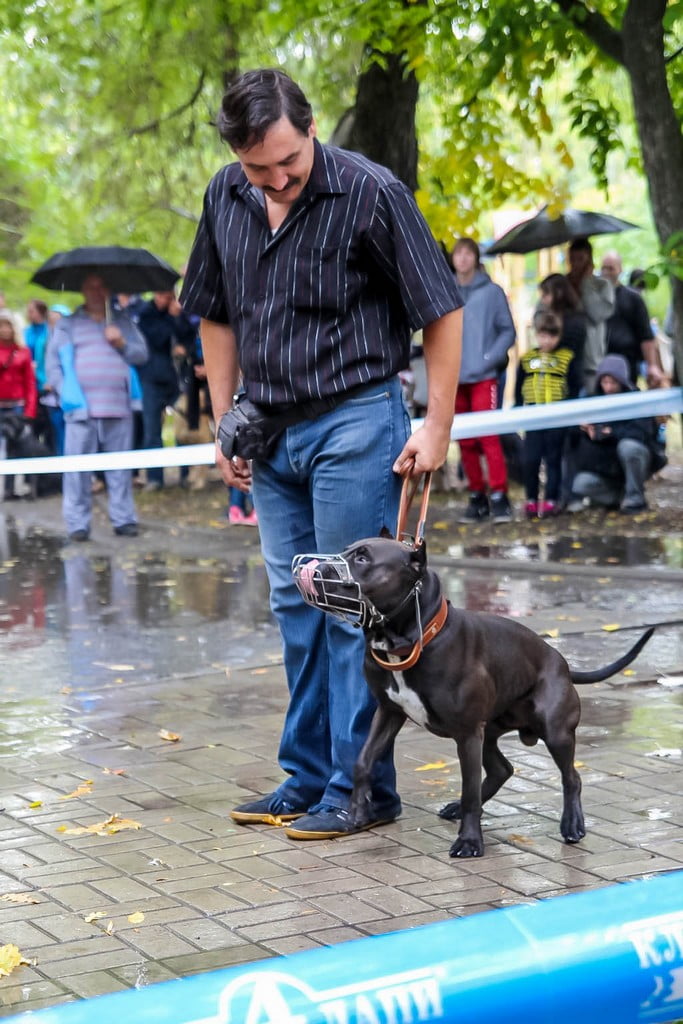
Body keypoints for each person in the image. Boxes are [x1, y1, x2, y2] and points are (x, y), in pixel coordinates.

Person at [180, 68, 462, 840]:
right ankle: (306, 778)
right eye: (257, 170)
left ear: (309, 130)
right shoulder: (223, 196)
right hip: (268, 432)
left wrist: (434, 427)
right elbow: (212, 312)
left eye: (287, 165)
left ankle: (362, 787)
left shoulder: (371, 193)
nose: (274, 182)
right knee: (293, 609)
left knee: (350, 613)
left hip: (355, 422)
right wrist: (222, 419)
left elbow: (440, 310)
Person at [45, 273, 148, 541]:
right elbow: (52, 364)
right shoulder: (67, 324)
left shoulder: (122, 321)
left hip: (118, 406)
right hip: (80, 410)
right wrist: (63, 392)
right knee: (77, 469)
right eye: (91, 286)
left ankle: (124, 519)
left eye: (101, 286)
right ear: (82, 290)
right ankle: (77, 523)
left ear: (108, 290)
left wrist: (121, 342)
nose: (96, 291)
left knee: (120, 468)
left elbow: (141, 354)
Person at [449, 237, 515, 523]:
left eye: (468, 253)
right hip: (453, 377)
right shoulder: (445, 289)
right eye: (458, 253)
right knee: (464, 440)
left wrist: (490, 358)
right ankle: (476, 495)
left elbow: (507, 331)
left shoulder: (492, 292)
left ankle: (499, 495)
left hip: (483, 377)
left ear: (475, 258)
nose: (462, 259)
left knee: (488, 436)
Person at [568, 353, 666, 515]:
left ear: (622, 382)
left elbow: (642, 433)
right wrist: (586, 431)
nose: (609, 387)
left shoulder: (636, 401)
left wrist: (611, 433)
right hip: (606, 466)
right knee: (581, 483)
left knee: (629, 447)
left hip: (633, 460)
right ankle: (618, 497)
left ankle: (635, 498)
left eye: (613, 382)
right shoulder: (594, 402)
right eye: (605, 382)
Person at [515, 310, 581, 518]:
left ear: (558, 336)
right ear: (537, 334)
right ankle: (531, 500)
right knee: (531, 459)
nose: (547, 340)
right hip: (533, 417)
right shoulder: (527, 359)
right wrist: (518, 408)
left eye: (552, 336)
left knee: (553, 460)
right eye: (543, 335)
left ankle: (552, 500)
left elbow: (574, 386)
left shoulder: (566, 358)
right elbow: (519, 386)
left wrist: (571, 415)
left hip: (557, 418)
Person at [136, 291, 197, 491]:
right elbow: (156, 338)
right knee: (152, 430)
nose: (165, 300)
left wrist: (179, 316)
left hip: (176, 379)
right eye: (162, 296)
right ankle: (155, 478)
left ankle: (186, 474)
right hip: (152, 379)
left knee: (183, 426)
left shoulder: (178, 313)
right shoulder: (146, 313)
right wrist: (171, 317)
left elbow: (188, 336)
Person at [599, 251, 664, 387]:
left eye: (611, 268)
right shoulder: (594, 298)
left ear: (620, 270)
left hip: (627, 363)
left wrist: (652, 365)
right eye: (604, 268)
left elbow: (646, 335)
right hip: (600, 364)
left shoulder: (633, 298)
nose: (606, 272)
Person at [565, 238, 614, 393]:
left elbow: (598, 314)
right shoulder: (561, 284)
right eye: (572, 259)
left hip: (591, 362)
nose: (576, 264)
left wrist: (586, 284)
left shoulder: (602, 285)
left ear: (590, 260)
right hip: (564, 359)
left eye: (580, 259)